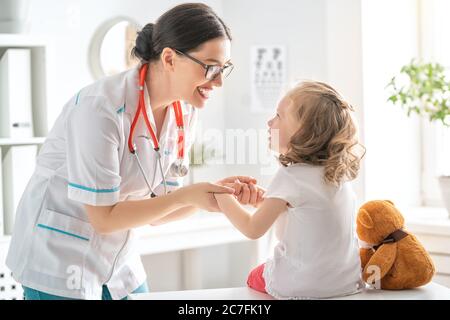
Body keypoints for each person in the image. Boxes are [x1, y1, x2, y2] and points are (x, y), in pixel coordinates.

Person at [6, 3, 261, 300]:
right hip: (58, 259)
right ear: (169, 58)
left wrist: (216, 196)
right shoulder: (99, 108)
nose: (218, 81)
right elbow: (104, 218)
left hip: (118, 261)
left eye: (224, 69)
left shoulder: (184, 113)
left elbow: (161, 210)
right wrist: (189, 195)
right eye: (210, 66)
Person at [215, 81, 366, 299]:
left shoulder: (290, 176)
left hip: (301, 288)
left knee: (253, 277)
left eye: (278, 116)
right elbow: (309, 214)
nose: (269, 121)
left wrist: (222, 196)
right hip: (346, 285)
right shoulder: (338, 174)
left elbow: (252, 229)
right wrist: (266, 202)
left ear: (303, 132)